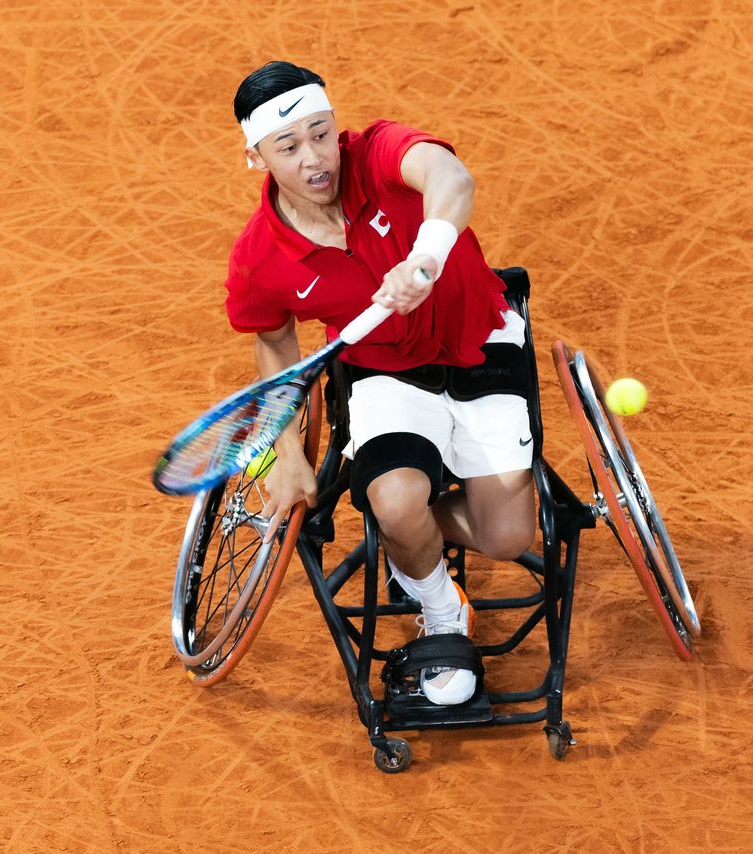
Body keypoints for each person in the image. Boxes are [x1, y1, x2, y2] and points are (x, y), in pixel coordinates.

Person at [223, 61, 535, 706]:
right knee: (394, 502)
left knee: (507, 538)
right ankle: (439, 604)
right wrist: (284, 451)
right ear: (257, 158)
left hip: (481, 334)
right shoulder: (260, 257)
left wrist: (427, 255)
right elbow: (276, 343)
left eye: (321, 133)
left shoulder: (379, 153)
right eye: (289, 146)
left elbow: (451, 178)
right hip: (383, 371)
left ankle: (412, 538)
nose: (315, 158)